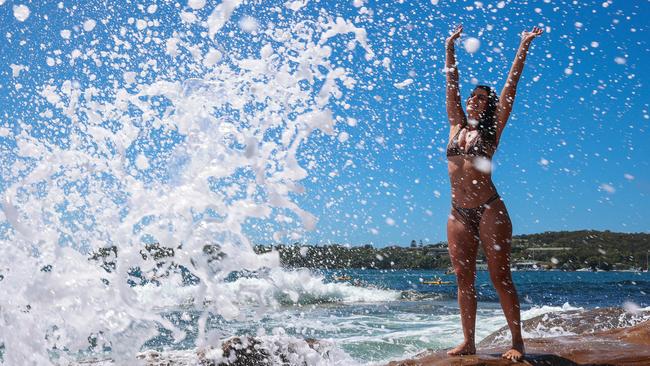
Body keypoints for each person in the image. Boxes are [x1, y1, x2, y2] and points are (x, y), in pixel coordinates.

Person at [444, 24, 543, 361]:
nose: (474, 99)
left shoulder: (493, 128)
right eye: (473, 96)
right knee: (463, 278)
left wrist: (523, 46)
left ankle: (517, 341)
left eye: (481, 98)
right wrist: (449, 49)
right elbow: (451, 84)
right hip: (457, 212)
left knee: (500, 276)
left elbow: (510, 85)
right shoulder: (456, 124)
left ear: (488, 106)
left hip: (489, 208)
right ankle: (468, 341)